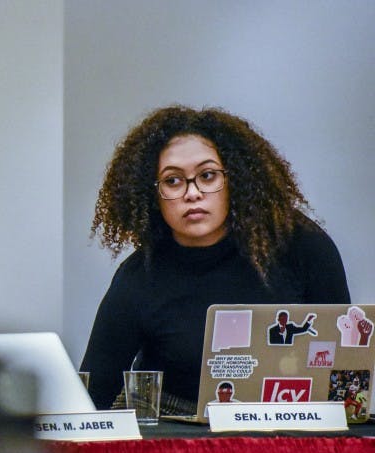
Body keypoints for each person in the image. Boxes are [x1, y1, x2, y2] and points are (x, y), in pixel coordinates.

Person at [81, 105, 350, 414]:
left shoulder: (303, 246)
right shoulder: (139, 276)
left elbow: (342, 366)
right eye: (173, 181)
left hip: (290, 435)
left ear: (236, 180)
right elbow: (91, 397)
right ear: (151, 195)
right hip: (174, 440)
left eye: (207, 176)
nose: (192, 193)